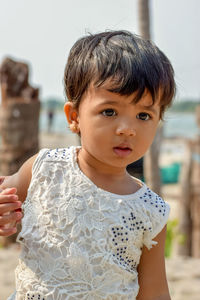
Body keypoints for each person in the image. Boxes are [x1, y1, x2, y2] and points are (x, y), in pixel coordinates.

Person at [0, 30, 175, 300]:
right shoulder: (45, 169)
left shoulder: (150, 212)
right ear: (74, 117)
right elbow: (4, 197)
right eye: (109, 111)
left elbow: (154, 291)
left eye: (143, 114)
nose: (127, 129)